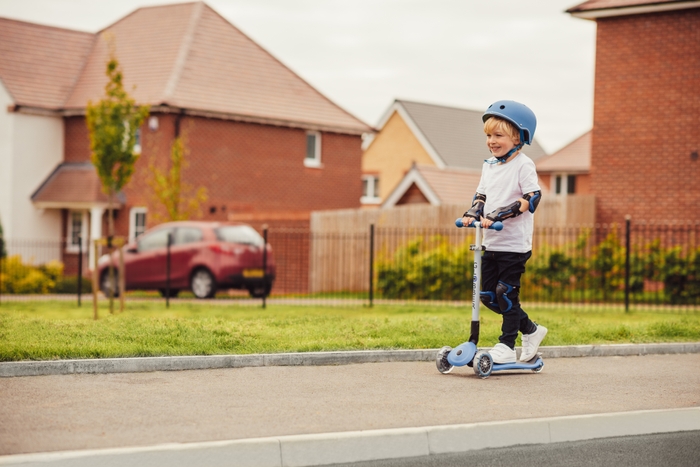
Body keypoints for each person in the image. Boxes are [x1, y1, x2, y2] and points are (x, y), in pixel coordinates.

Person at [462, 100, 547, 364]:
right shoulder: (489, 165)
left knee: (505, 293)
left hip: (514, 245)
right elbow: (482, 194)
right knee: (487, 295)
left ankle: (507, 345)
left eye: (498, 135)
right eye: (489, 135)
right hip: (492, 241)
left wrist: (502, 214)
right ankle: (531, 330)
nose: (491, 141)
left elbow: (532, 197)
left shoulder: (524, 164)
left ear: (518, 137)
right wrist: (473, 212)